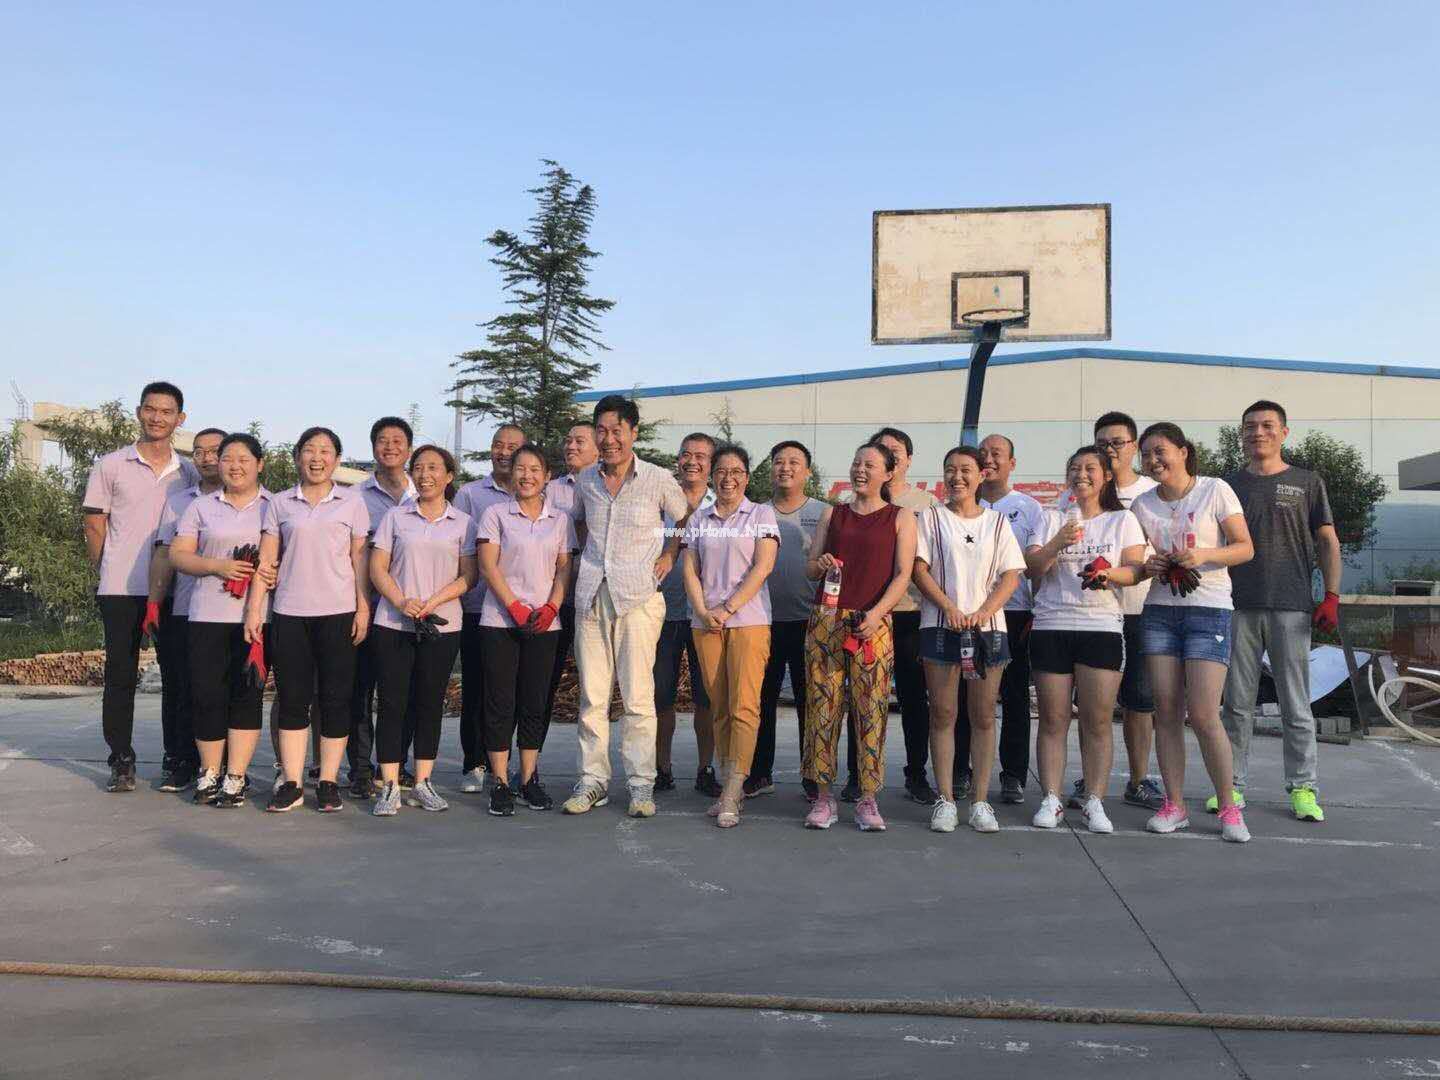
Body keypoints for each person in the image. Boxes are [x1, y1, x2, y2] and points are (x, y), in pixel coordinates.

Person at [563, 395, 688, 819]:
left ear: (633, 432)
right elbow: (577, 521)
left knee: (637, 697)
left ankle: (640, 784)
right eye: (601, 431)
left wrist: (669, 553)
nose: (609, 439)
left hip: (638, 598)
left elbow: (683, 517)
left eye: (617, 431)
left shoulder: (657, 478)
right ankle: (593, 781)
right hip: (591, 597)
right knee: (592, 697)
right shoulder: (586, 480)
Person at [1131, 422, 1255, 842]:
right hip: (1160, 613)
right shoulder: (1142, 505)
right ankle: (1174, 805)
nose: (1153, 460)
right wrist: (1147, 565)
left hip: (1209, 611)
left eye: (1160, 451)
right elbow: (1135, 561)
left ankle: (1229, 807)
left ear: (1183, 451)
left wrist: (1203, 554)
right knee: (1166, 712)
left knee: (1203, 714)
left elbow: (1244, 547)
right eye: (1146, 454)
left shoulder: (1215, 489)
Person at [1221, 400, 1342, 822]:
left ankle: (1304, 788)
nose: (1258, 432)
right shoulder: (1226, 486)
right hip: (1235, 605)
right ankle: (1230, 785)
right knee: (1236, 704)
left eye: (1267, 425)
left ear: (1284, 432)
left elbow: (1327, 541)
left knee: (1296, 704)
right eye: (1250, 426)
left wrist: (1331, 596)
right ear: (1242, 433)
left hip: (1292, 606)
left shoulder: (1307, 482)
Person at [245, 426, 371, 813]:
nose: (317, 458)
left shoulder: (352, 502)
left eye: (325, 451)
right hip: (290, 613)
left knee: (335, 699)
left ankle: (329, 781)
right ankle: (292, 782)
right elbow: (267, 560)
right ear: (298, 456)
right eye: (309, 450)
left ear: (337, 459)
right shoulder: (280, 503)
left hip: (338, 613)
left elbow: (360, 560)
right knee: (293, 699)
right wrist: (254, 608)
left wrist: (363, 607)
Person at [82, 381, 200, 792]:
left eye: (166, 412)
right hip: (121, 588)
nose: (157, 418)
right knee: (119, 676)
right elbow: (94, 525)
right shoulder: (111, 464)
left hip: (173, 590)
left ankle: (176, 757)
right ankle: (121, 759)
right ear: (139, 412)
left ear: (180, 419)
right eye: (150, 409)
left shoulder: (188, 472)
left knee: (177, 676)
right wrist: (108, 569)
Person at [1025, 446, 1147, 834]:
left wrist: (1109, 575)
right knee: (1053, 719)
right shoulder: (1050, 517)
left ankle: (1095, 800)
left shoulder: (1122, 519)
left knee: (1097, 721)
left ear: (1106, 476)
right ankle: (1052, 798)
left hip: (1101, 627)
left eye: (1090, 468)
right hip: (1052, 624)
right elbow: (1033, 569)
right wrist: (1058, 542)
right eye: (1075, 468)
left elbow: (1136, 570)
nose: (1082, 474)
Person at [801, 442, 917, 832]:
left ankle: (868, 798)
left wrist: (877, 615)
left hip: (873, 624)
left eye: (869, 464)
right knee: (822, 708)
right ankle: (823, 797)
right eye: (856, 463)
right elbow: (810, 569)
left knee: (871, 710)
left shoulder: (901, 517)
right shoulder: (833, 513)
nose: (860, 470)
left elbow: (903, 574)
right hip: (827, 621)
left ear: (889, 472)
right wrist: (820, 564)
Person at [911, 447, 1025, 834]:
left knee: (983, 716)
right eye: (950, 470)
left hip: (988, 630)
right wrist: (949, 607)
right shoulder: (931, 518)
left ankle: (980, 801)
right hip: (940, 627)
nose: (956, 477)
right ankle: (945, 800)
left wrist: (983, 611)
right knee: (943, 713)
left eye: (965, 470)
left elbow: (1011, 576)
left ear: (981, 475)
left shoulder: (997, 522)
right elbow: (919, 570)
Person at [1059, 412, 1165, 811]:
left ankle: (1138, 780)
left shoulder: (1151, 492)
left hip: (1140, 609)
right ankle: (1090, 779)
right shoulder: (1074, 493)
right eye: (1102, 442)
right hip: (1090, 615)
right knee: (1091, 709)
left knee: (1139, 701)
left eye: (1117, 442)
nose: (1110, 449)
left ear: (1133, 446)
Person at [368, 445, 477, 817]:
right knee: (392, 703)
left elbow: (470, 575)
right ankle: (389, 784)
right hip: (393, 623)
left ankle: (423, 781)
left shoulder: (463, 522)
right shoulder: (396, 517)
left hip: (441, 626)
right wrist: (402, 601)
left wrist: (434, 601)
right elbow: (377, 568)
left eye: (433, 468)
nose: (425, 474)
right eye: (419, 467)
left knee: (430, 703)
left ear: (449, 476)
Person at [168, 433, 274, 807]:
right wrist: (218, 566)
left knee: (246, 695)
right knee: (207, 695)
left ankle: (236, 776)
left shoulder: (273, 506)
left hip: (256, 619)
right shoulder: (201, 507)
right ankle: (210, 771)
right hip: (206, 615)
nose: (235, 466)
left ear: (260, 464)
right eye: (227, 458)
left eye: (244, 459)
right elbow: (178, 555)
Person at [682, 445, 779, 827]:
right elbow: (690, 570)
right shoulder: (699, 518)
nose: (728, 478)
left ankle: (734, 788)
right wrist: (704, 611)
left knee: (744, 706)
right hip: (706, 623)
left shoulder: (760, 514)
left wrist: (728, 607)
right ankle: (727, 783)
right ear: (712, 476)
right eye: (721, 471)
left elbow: (763, 566)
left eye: (736, 471)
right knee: (719, 705)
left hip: (748, 621)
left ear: (747, 477)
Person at [476, 443, 576, 816]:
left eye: (535, 469)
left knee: (535, 702)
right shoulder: (495, 514)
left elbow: (564, 567)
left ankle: (529, 778)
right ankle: (501, 781)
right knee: (500, 702)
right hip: (500, 621)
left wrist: (551, 607)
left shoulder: (560, 520)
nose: (527, 475)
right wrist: (515, 607)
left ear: (547, 476)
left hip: (545, 624)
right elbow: (488, 565)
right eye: (520, 468)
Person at [953, 433, 1045, 804]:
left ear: (1012, 463)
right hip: (968, 617)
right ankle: (960, 771)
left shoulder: (1029, 508)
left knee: (1015, 696)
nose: (989, 459)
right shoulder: (960, 505)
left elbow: (1035, 565)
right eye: (983, 453)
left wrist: (1037, 610)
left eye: (997, 453)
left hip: (1014, 612)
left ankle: (1013, 775)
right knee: (964, 697)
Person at [862, 426, 940, 806]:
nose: (889, 456)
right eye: (882, 450)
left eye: (896, 451)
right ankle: (858, 774)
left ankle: (916, 773)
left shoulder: (927, 504)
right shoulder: (859, 500)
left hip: (910, 613)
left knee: (913, 698)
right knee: (862, 698)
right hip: (867, 614)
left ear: (908, 460)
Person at [147, 426, 226, 791]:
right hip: (185, 609)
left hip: (234, 613)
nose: (207, 458)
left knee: (226, 690)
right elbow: (165, 553)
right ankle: (182, 759)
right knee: (182, 688)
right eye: (199, 451)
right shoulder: (179, 501)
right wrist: (154, 602)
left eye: (215, 450)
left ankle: (226, 766)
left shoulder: (260, 502)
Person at [347, 416, 417, 799]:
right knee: (359, 690)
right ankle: (359, 769)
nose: (390, 447)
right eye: (382, 441)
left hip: (408, 612)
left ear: (409, 448)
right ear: (373, 447)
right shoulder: (354, 496)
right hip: (363, 606)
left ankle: (395, 763)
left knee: (401, 692)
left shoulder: (424, 492)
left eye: (397, 441)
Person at [453, 423, 526, 792]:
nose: (504, 452)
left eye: (512, 446)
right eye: (498, 445)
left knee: (513, 692)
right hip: (477, 608)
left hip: (524, 612)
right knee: (477, 689)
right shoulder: (470, 494)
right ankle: (475, 762)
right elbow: (457, 545)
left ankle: (508, 762)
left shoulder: (537, 496)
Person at [752, 440, 827, 800]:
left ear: (807, 471)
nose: (786, 468)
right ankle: (758, 773)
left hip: (809, 621)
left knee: (808, 702)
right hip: (762, 621)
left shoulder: (824, 513)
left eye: (794, 462)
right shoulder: (755, 512)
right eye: (779, 461)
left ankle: (812, 775)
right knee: (761, 701)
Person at [654, 433, 717, 795]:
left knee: (706, 698)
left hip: (704, 616)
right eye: (686, 454)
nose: (692, 461)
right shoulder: (658, 501)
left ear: (711, 464)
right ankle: (661, 768)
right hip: (660, 613)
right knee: (660, 696)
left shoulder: (721, 505)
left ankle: (705, 768)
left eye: (701, 456)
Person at [544, 421, 599, 729]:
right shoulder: (551, 490)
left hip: (596, 598)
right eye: (568, 440)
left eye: (579, 441)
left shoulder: (609, 487)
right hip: (558, 597)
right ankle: (531, 752)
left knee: (596, 680)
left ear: (598, 448)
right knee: (545, 677)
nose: (571, 446)